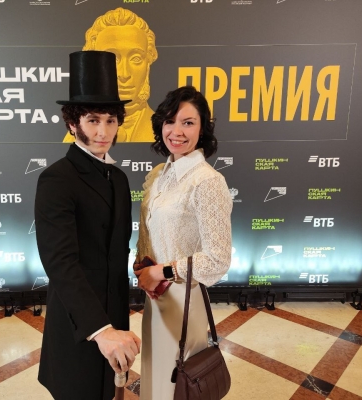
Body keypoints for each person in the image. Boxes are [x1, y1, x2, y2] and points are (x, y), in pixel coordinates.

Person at [35, 51, 141, 400]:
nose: (103, 131)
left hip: (116, 313)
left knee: (109, 392)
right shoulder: (57, 179)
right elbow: (60, 263)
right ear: (72, 123)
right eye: (93, 120)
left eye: (111, 120)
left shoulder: (120, 178)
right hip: (78, 321)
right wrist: (100, 329)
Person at [134, 86, 233, 399]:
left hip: (184, 300)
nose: (176, 131)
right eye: (169, 121)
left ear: (202, 129)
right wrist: (144, 268)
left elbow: (218, 259)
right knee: (156, 381)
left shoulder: (208, 181)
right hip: (156, 298)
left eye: (188, 123)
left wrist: (161, 272)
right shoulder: (160, 175)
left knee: (179, 387)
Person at [63, 7, 158, 143]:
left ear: (148, 64)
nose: (124, 74)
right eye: (112, 60)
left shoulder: (162, 131)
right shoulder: (72, 140)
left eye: (135, 58)